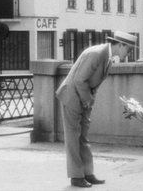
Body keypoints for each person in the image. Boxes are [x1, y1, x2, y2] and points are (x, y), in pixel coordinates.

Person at [56, 31, 137, 188]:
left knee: (83, 137)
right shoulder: (97, 54)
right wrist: (88, 100)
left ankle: (87, 174)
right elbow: (80, 80)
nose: (129, 53)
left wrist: (88, 101)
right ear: (120, 45)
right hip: (71, 97)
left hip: (82, 98)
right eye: (129, 49)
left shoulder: (106, 57)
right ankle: (76, 177)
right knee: (74, 138)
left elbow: (91, 83)